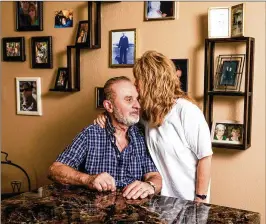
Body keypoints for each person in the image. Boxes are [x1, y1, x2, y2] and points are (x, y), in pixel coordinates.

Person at [94, 51, 213, 203]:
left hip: (190, 200)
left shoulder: (186, 111)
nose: (135, 84)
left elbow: (205, 157)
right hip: (161, 200)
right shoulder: (147, 113)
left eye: (138, 79)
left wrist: (200, 199)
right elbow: (123, 116)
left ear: (151, 81)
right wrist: (105, 115)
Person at [48, 76, 162, 200]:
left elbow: (154, 175)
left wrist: (150, 185)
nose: (138, 105)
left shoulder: (142, 135)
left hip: (135, 214)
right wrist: (88, 179)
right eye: (129, 99)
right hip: (97, 213)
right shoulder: (91, 134)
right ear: (109, 106)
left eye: (137, 99)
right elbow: (55, 169)